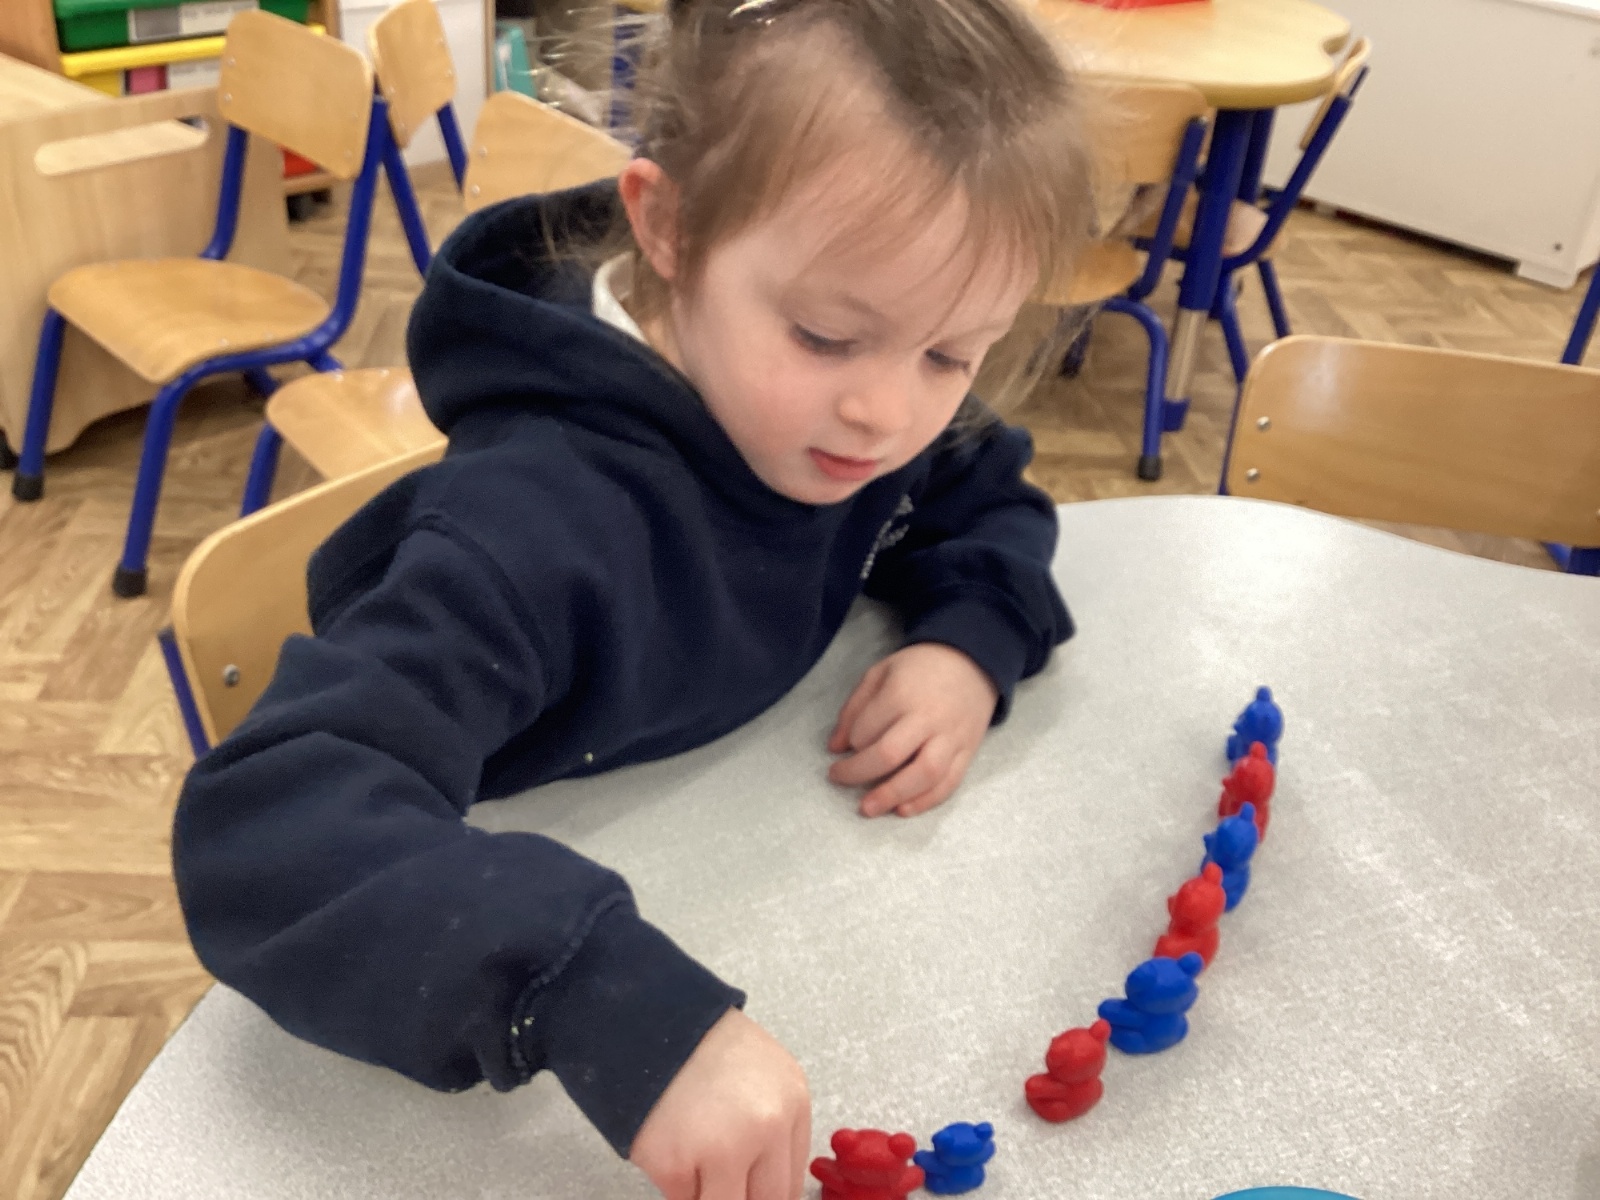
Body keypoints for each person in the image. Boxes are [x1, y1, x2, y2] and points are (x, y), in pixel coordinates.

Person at [173, 0, 1094, 1196]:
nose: (887, 414)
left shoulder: (856, 392)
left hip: (746, 845)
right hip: (476, 966)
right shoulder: (526, 529)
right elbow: (264, 828)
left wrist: (968, 639)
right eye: (825, 336)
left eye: (952, 354)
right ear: (669, 225)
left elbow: (985, 490)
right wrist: (587, 990)